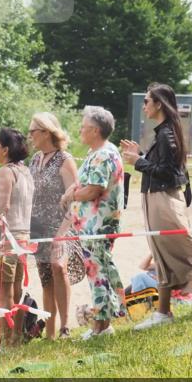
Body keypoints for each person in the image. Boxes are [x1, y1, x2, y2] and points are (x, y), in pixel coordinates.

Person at [121, 85, 192, 329]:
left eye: (147, 101)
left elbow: (168, 173)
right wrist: (140, 155)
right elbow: (164, 165)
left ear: (159, 104)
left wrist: (138, 162)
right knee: (162, 255)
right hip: (156, 199)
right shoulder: (165, 132)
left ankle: (166, 310)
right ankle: (163, 312)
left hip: (162, 199)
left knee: (173, 252)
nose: (144, 106)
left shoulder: (167, 134)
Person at [61, 106, 125, 339]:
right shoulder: (99, 152)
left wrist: (71, 196)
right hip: (93, 225)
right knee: (98, 273)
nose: (80, 129)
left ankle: (101, 327)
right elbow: (85, 182)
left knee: (98, 274)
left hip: (97, 226)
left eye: (84, 126)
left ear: (96, 131)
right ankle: (101, 325)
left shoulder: (102, 154)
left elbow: (94, 190)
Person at [28, 112, 83, 339]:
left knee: (59, 268)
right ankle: (50, 332)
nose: (29, 136)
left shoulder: (64, 159)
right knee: (46, 277)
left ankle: (64, 326)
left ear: (46, 132)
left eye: (32, 131)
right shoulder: (34, 160)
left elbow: (75, 200)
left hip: (61, 226)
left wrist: (61, 234)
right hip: (38, 227)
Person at [0, 127, 34, 346]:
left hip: (6, 238)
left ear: (5, 150)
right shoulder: (24, 171)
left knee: (5, 292)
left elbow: (2, 207)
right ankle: (16, 338)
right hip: (23, 236)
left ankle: (7, 342)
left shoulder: (6, 172)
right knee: (16, 289)